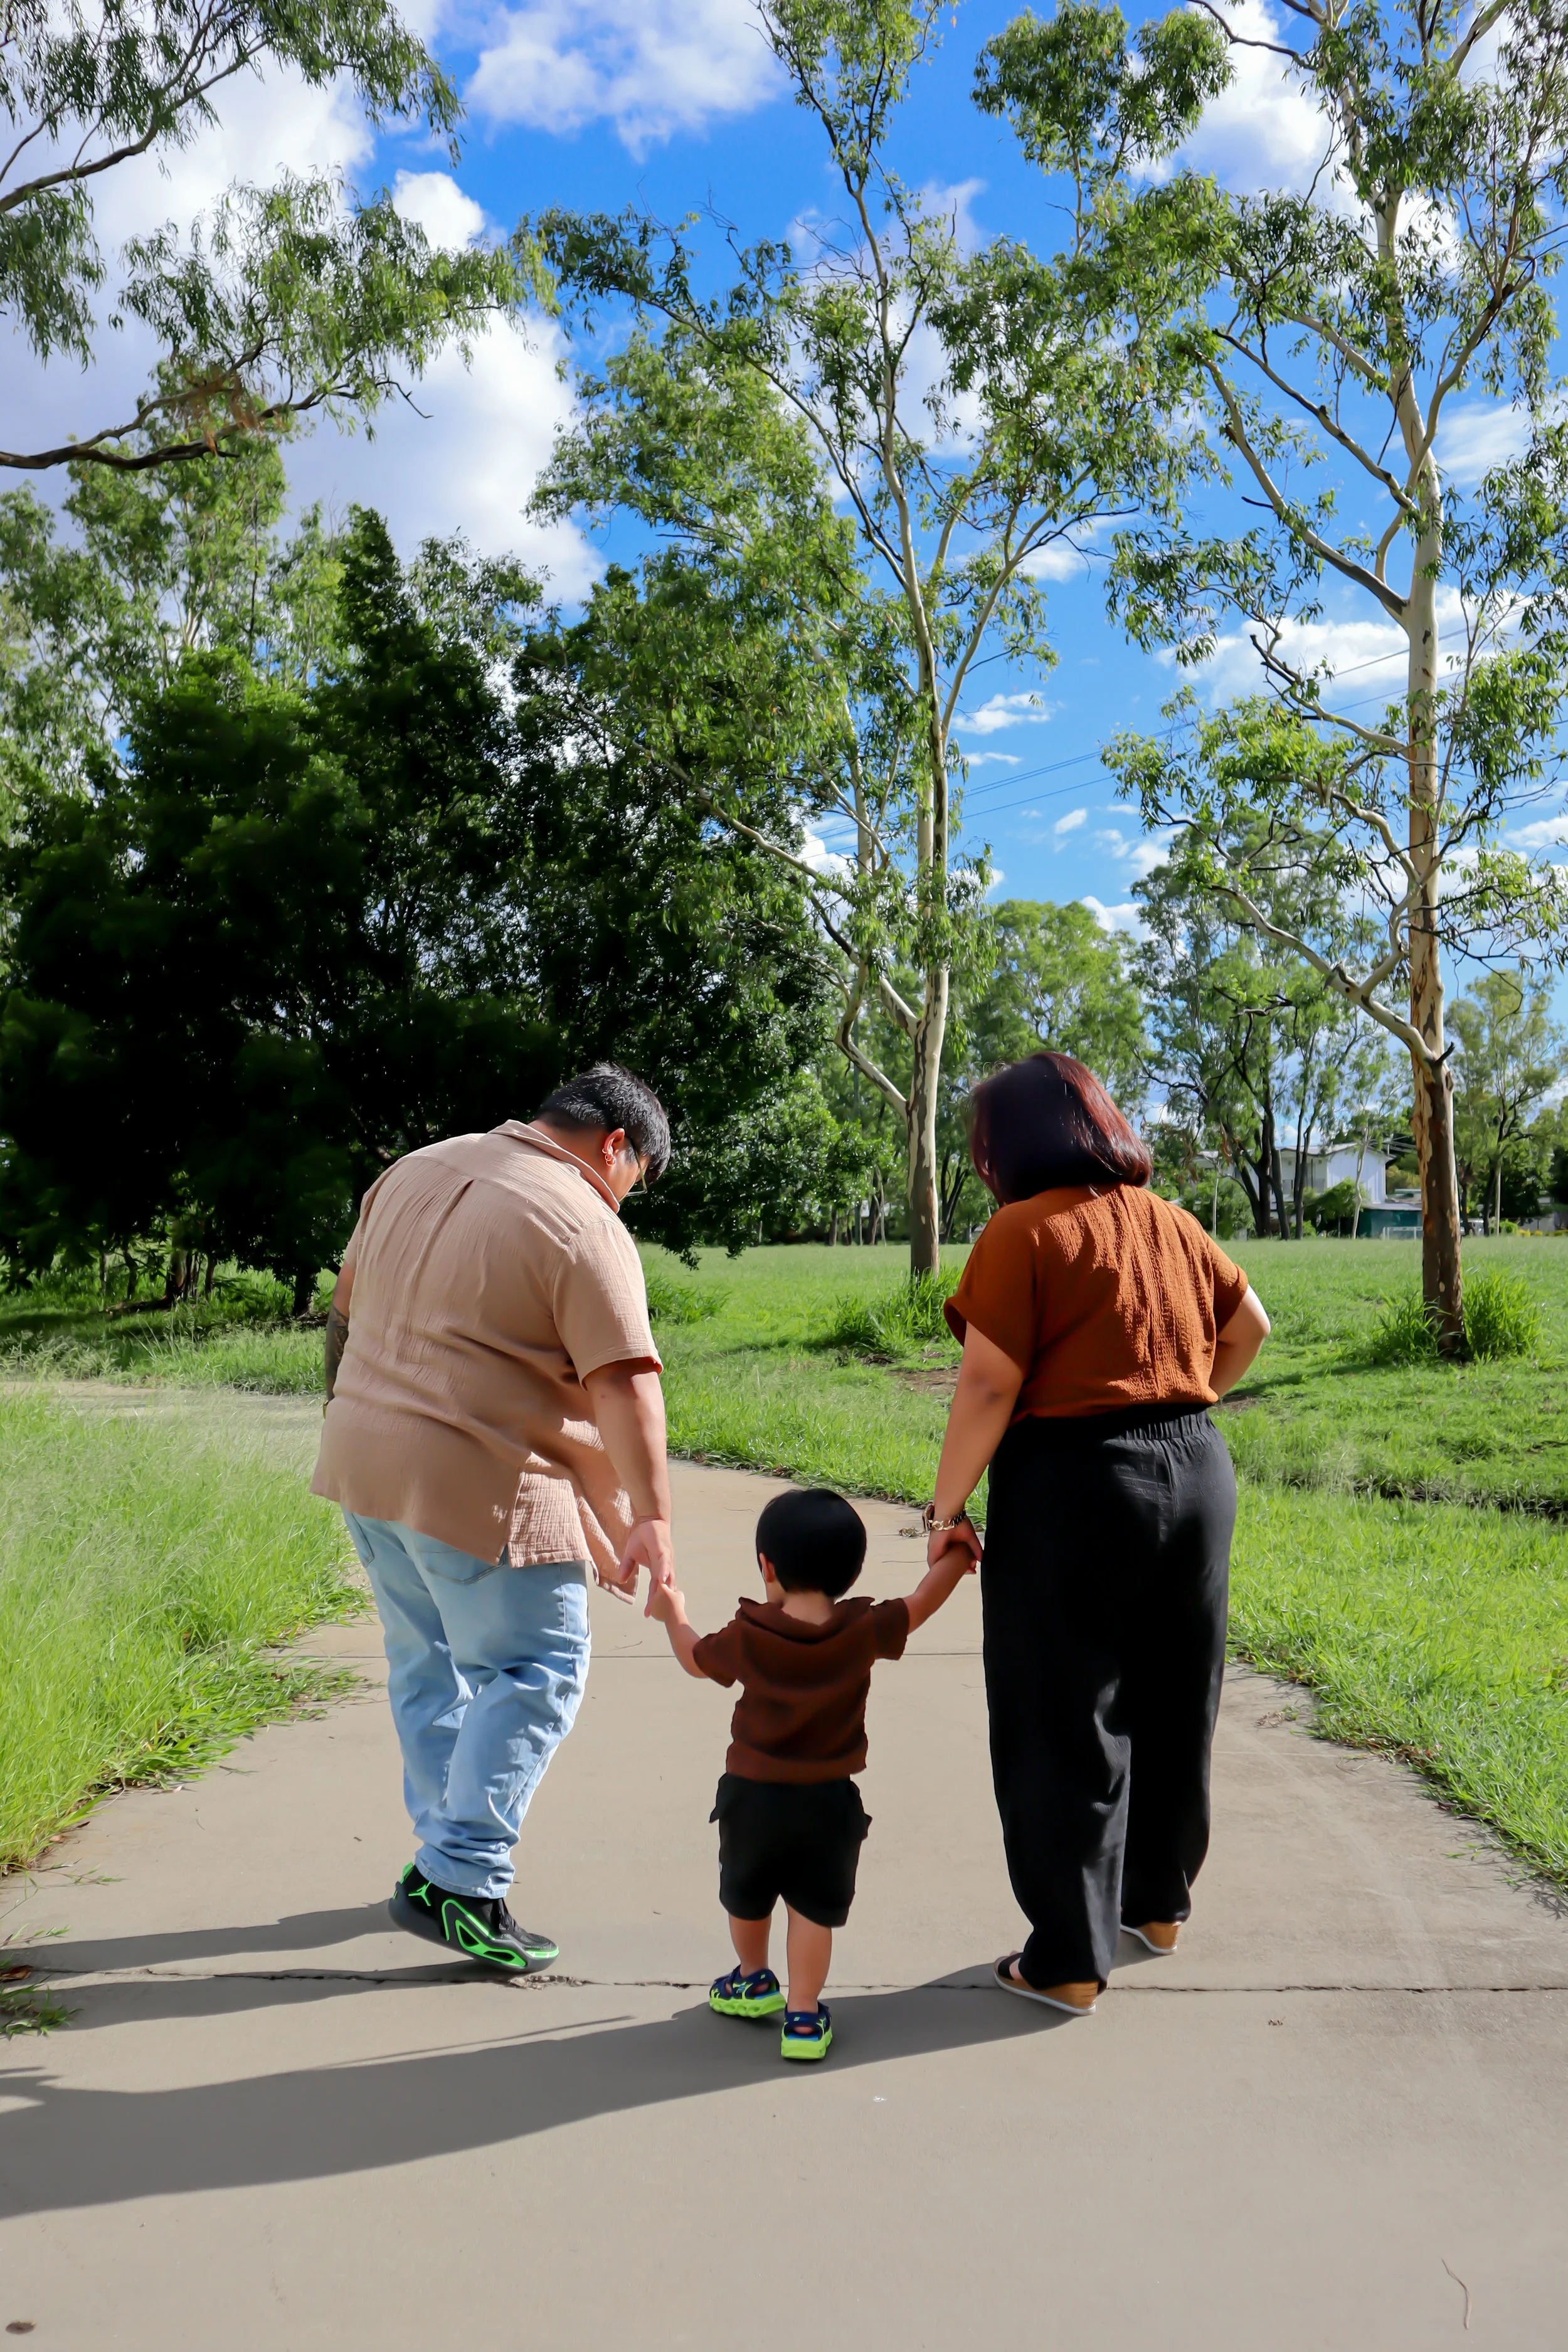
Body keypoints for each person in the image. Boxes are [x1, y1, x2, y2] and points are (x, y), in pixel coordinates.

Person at [921, 1052, 1271, 2018]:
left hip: (1075, 1478)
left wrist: (944, 1510)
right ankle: (1156, 1906)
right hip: (1197, 1466)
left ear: (1008, 1146)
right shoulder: (1175, 1223)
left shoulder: (1022, 1232)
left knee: (1061, 1710)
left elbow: (990, 1384)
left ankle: (1068, 1957)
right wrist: (1185, 1403)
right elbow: (1253, 1329)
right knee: (1175, 1691)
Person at [311, 1062, 675, 1976]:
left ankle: (442, 1853)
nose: (628, 1199)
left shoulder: (413, 1168)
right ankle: (460, 1879)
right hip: (479, 1483)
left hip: (366, 1466)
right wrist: (653, 1520)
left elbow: (341, 1315)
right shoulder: (582, 1218)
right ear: (616, 1145)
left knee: (425, 1664)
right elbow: (625, 1383)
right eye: (637, 1180)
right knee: (535, 1666)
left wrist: (345, 1414)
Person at [648, 1486, 973, 2062]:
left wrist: (673, 1613)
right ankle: (802, 2016)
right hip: (828, 1803)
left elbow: (696, 1658)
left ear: (766, 1567)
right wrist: (957, 1554)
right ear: (851, 1573)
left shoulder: (750, 1635)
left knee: (746, 1896)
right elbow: (923, 1601)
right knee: (811, 1910)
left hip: (752, 1799)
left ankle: (753, 1977)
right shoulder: (864, 1630)